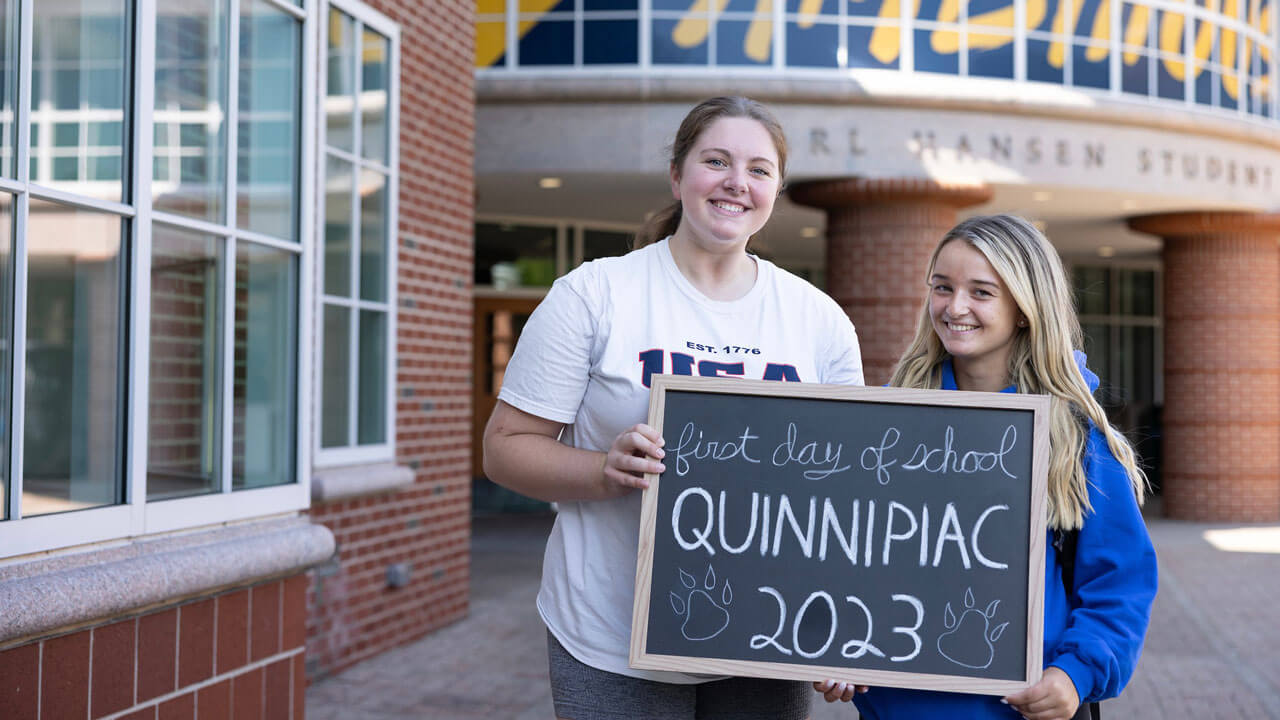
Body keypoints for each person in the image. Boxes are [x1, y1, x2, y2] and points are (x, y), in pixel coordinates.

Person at [483, 96, 864, 720]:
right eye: (716, 161)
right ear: (678, 174)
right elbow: (503, 450)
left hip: (766, 636)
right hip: (609, 637)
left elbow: (847, 492)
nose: (737, 182)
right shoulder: (594, 293)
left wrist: (846, 622)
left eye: (759, 169)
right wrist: (602, 470)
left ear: (776, 188)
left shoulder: (818, 319)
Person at [813, 214, 1157, 720]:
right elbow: (835, 554)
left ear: (1024, 307)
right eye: (942, 287)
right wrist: (833, 640)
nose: (955, 308)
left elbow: (1118, 582)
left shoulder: (1072, 435)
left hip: (1017, 708)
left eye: (981, 292)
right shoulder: (884, 421)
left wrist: (1074, 674)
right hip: (895, 707)